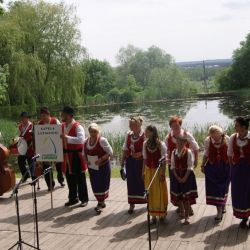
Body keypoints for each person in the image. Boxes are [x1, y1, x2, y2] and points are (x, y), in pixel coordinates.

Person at [165, 116, 199, 216]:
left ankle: (188, 208)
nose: (175, 127)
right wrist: (167, 160)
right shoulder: (168, 137)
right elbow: (164, 150)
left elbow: (196, 147)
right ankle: (181, 207)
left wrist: (196, 160)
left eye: (177, 125)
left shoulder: (186, 134)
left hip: (185, 167)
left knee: (186, 188)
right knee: (176, 188)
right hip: (174, 167)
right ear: (170, 126)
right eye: (173, 126)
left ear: (180, 125)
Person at [201, 125, 230, 221]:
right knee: (216, 190)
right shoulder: (207, 140)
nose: (214, 137)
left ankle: (223, 205)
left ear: (220, 133)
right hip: (213, 167)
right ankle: (219, 212)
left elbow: (231, 153)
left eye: (216, 135)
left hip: (224, 167)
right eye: (212, 135)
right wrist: (202, 165)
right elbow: (206, 153)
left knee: (223, 188)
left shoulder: (227, 139)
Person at [61, 106, 89, 207]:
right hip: (67, 155)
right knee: (69, 177)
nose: (61, 116)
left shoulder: (78, 126)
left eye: (63, 114)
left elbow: (81, 140)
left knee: (80, 178)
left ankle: (84, 199)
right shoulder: (63, 126)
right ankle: (73, 198)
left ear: (68, 115)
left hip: (76, 156)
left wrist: (66, 138)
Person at [83, 123, 113, 214]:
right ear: (89, 132)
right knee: (95, 185)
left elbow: (110, 152)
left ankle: (100, 203)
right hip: (92, 168)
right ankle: (101, 202)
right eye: (91, 132)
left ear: (98, 132)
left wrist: (101, 159)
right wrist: (86, 161)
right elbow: (83, 153)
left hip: (103, 166)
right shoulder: (86, 141)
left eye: (95, 132)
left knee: (102, 184)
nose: (93, 134)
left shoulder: (102, 140)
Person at [143, 125, 168, 224]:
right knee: (151, 193)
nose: (145, 133)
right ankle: (153, 216)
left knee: (160, 192)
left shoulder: (161, 144)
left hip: (158, 171)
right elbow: (144, 159)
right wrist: (143, 171)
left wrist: (162, 173)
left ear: (152, 132)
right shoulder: (145, 144)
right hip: (149, 171)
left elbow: (164, 160)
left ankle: (161, 214)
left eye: (147, 131)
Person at [170, 135, 198, 225]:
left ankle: (187, 216)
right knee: (179, 197)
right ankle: (182, 211)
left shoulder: (188, 152)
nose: (179, 144)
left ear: (185, 143)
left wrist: (184, 178)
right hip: (177, 176)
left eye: (181, 142)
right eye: (178, 142)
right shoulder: (173, 152)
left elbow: (190, 166)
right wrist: (177, 177)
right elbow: (172, 166)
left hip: (187, 176)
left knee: (186, 197)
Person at [228, 116, 250, 228]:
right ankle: (244, 216)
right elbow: (229, 155)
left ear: (243, 127)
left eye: (236, 125)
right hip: (237, 169)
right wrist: (232, 171)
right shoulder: (233, 137)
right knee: (238, 192)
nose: (234, 127)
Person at [121, 117, 146, 214]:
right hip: (130, 163)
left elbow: (148, 150)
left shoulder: (144, 135)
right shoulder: (128, 134)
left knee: (142, 182)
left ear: (138, 125)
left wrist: (141, 153)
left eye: (132, 124)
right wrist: (122, 163)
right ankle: (132, 204)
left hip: (141, 163)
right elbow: (125, 148)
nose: (130, 126)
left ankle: (148, 201)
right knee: (131, 183)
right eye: (130, 124)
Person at [38, 107, 65, 190]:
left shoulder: (55, 121)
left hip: (56, 146)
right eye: (41, 116)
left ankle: (60, 180)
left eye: (44, 116)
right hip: (45, 147)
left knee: (59, 166)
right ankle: (50, 184)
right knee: (46, 167)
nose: (43, 118)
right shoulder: (40, 124)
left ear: (48, 114)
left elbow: (61, 132)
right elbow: (39, 137)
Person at [17, 112, 34, 182]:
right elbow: (19, 136)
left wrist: (30, 145)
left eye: (24, 118)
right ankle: (26, 175)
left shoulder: (31, 125)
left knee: (31, 163)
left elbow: (34, 137)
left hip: (30, 147)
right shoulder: (20, 126)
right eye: (22, 118)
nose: (23, 119)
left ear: (27, 118)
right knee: (20, 161)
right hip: (22, 147)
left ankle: (33, 178)